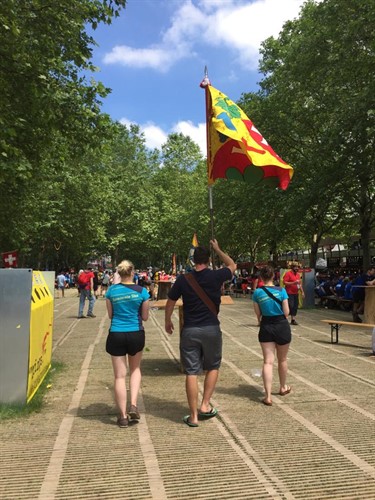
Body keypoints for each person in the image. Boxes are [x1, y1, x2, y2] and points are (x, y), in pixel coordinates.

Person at [165, 239, 236, 427]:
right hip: (212, 328)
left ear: (193, 261)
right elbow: (232, 265)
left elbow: (170, 301)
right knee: (212, 366)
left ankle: (193, 416)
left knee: (191, 371)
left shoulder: (183, 279)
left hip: (190, 330)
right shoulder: (216, 276)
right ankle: (205, 405)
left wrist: (168, 321)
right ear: (208, 260)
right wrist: (218, 249)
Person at [105, 260, 150, 428]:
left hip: (116, 333)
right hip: (135, 333)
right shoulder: (142, 292)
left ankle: (123, 416)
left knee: (119, 376)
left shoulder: (111, 292)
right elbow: (145, 317)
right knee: (135, 369)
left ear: (119, 273)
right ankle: (133, 404)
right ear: (132, 273)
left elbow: (110, 315)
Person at [252, 265, 292, 406]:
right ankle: (282, 387)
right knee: (282, 359)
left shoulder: (257, 293)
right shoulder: (282, 291)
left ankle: (268, 396)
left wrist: (260, 321)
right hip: (281, 325)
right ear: (273, 276)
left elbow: (258, 314)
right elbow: (286, 312)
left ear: (261, 278)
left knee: (268, 361)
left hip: (266, 326)